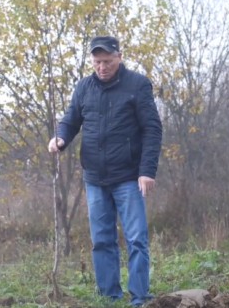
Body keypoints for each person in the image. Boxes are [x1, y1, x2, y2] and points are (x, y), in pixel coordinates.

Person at [47, 35, 162, 306]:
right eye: (97, 62)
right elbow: (71, 120)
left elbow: (152, 129)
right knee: (101, 240)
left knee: (136, 239)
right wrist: (60, 138)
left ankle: (139, 297)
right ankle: (109, 297)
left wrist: (147, 171)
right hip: (95, 179)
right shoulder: (84, 87)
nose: (102, 67)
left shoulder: (138, 85)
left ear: (119, 57)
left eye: (107, 61)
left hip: (128, 177)